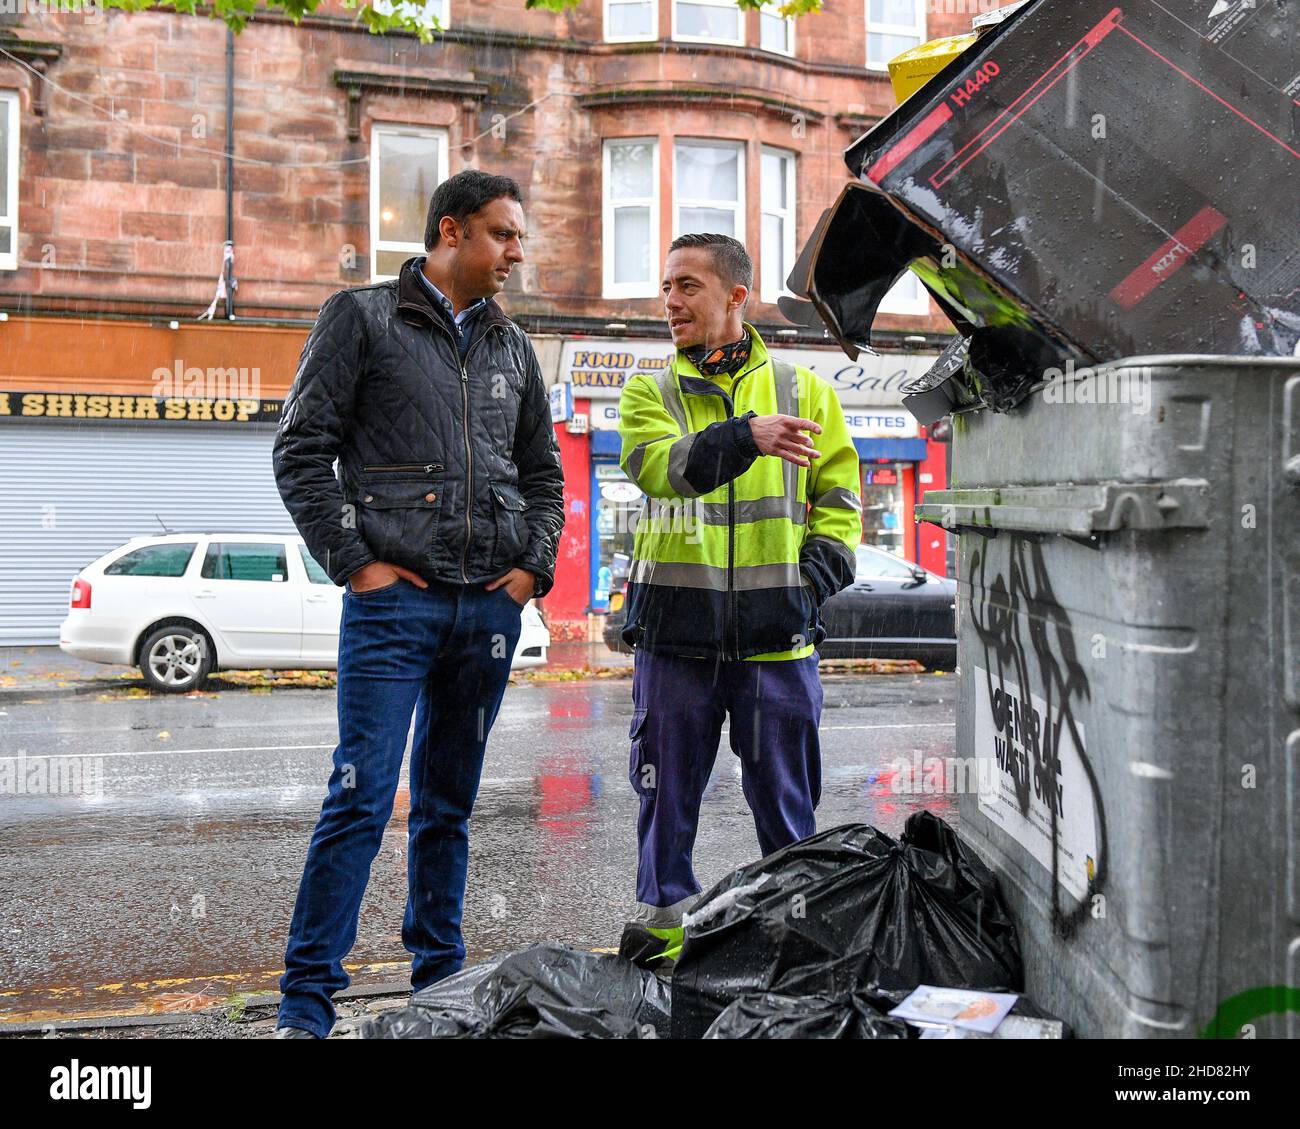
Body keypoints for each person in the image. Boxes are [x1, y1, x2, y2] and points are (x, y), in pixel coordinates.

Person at [270, 170, 564, 1037]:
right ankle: (305, 1005)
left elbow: (542, 474)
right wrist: (356, 563)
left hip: (489, 613)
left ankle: (439, 986)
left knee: (450, 808)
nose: (518, 252)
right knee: (359, 799)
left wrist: (530, 574)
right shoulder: (360, 318)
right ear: (450, 232)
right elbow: (300, 451)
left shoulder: (513, 347)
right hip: (394, 608)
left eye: (519, 236)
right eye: (503, 235)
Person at [615, 232, 863, 969]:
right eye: (665, 286)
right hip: (673, 642)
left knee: (788, 811)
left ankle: (792, 953)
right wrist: (748, 436)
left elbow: (842, 504)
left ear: (735, 297)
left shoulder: (806, 391)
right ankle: (663, 943)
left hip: (777, 643)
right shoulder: (648, 392)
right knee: (665, 808)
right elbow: (667, 469)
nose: (670, 301)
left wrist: (805, 587)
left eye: (687, 285)